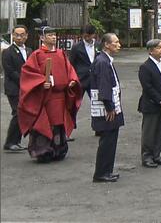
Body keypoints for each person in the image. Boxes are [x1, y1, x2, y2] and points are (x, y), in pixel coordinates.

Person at [17, 25, 81, 162]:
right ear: (42, 38)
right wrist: (41, 83)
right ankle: (43, 152)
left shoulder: (60, 53)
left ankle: (59, 150)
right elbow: (28, 73)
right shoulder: (36, 55)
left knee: (59, 124)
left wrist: (72, 80)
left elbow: (70, 69)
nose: (53, 37)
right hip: (46, 96)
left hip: (61, 95)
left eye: (54, 35)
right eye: (50, 35)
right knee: (45, 122)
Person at [90, 33, 124, 182]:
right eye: (115, 42)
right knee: (107, 141)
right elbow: (104, 86)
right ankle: (101, 172)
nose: (119, 45)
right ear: (106, 45)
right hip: (107, 108)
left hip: (111, 105)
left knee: (111, 140)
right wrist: (110, 107)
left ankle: (107, 170)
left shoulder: (105, 60)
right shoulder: (102, 62)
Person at [137, 39, 161, 168]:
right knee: (149, 131)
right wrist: (160, 100)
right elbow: (148, 87)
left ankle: (156, 155)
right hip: (151, 104)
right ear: (151, 51)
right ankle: (147, 156)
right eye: (158, 48)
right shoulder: (145, 67)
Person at [68, 24, 99, 138]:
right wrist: (72, 78)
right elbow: (71, 63)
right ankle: (69, 129)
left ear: (93, 35)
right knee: (74, 105)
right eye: (84, 36)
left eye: (89, 36)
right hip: (80, 79)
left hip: (95, 79)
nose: (86, 38)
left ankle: (98, 127)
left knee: (97, 103)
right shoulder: (76, 47)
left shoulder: (98, 46)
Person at [2, 25, 30, 152]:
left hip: (27, 88)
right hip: (14, 88)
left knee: (23, 113)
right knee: (18, 113)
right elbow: (10, 71)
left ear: (26, 36)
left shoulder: (29, 50)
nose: (19, 37)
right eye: (17, 35)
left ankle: (16, 141)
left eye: (22, 35)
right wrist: (24, 82)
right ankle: (10, 142)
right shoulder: (8, 52)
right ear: (13, 35)